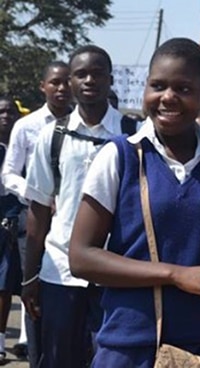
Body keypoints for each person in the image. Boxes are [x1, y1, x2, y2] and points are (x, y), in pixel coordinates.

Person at [69, 38, 200, 367]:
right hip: (129, 344)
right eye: (157, 86)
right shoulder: (120, 156)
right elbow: (81, 257)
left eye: (183, 88)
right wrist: (175, 275)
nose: (168, 98)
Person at [22, 45, 139, 368]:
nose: (89, 80)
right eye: (81, 74)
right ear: (70, 81)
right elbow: (40, 207)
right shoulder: (53, 136)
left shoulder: (133, 134)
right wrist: (30, 277)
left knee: (111, 359)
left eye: (97, 73)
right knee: (59, 358)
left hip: (116, 272)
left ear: (110, 79)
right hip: (60, 271)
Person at [1, 60, 71, 365]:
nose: (61, 87)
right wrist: (40, 196)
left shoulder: (82, 124)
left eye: (66, 81)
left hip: (73, 223)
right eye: (54, 82)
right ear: (43, 87)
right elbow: (9, 174)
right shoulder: (26, 126)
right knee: (34, 288)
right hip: (35, 220)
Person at [0, 97, 25, 364]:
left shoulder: (23, 148)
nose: (6, 116)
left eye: (11, 112)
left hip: (16, 223)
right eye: (1, 112)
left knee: (7, 287)